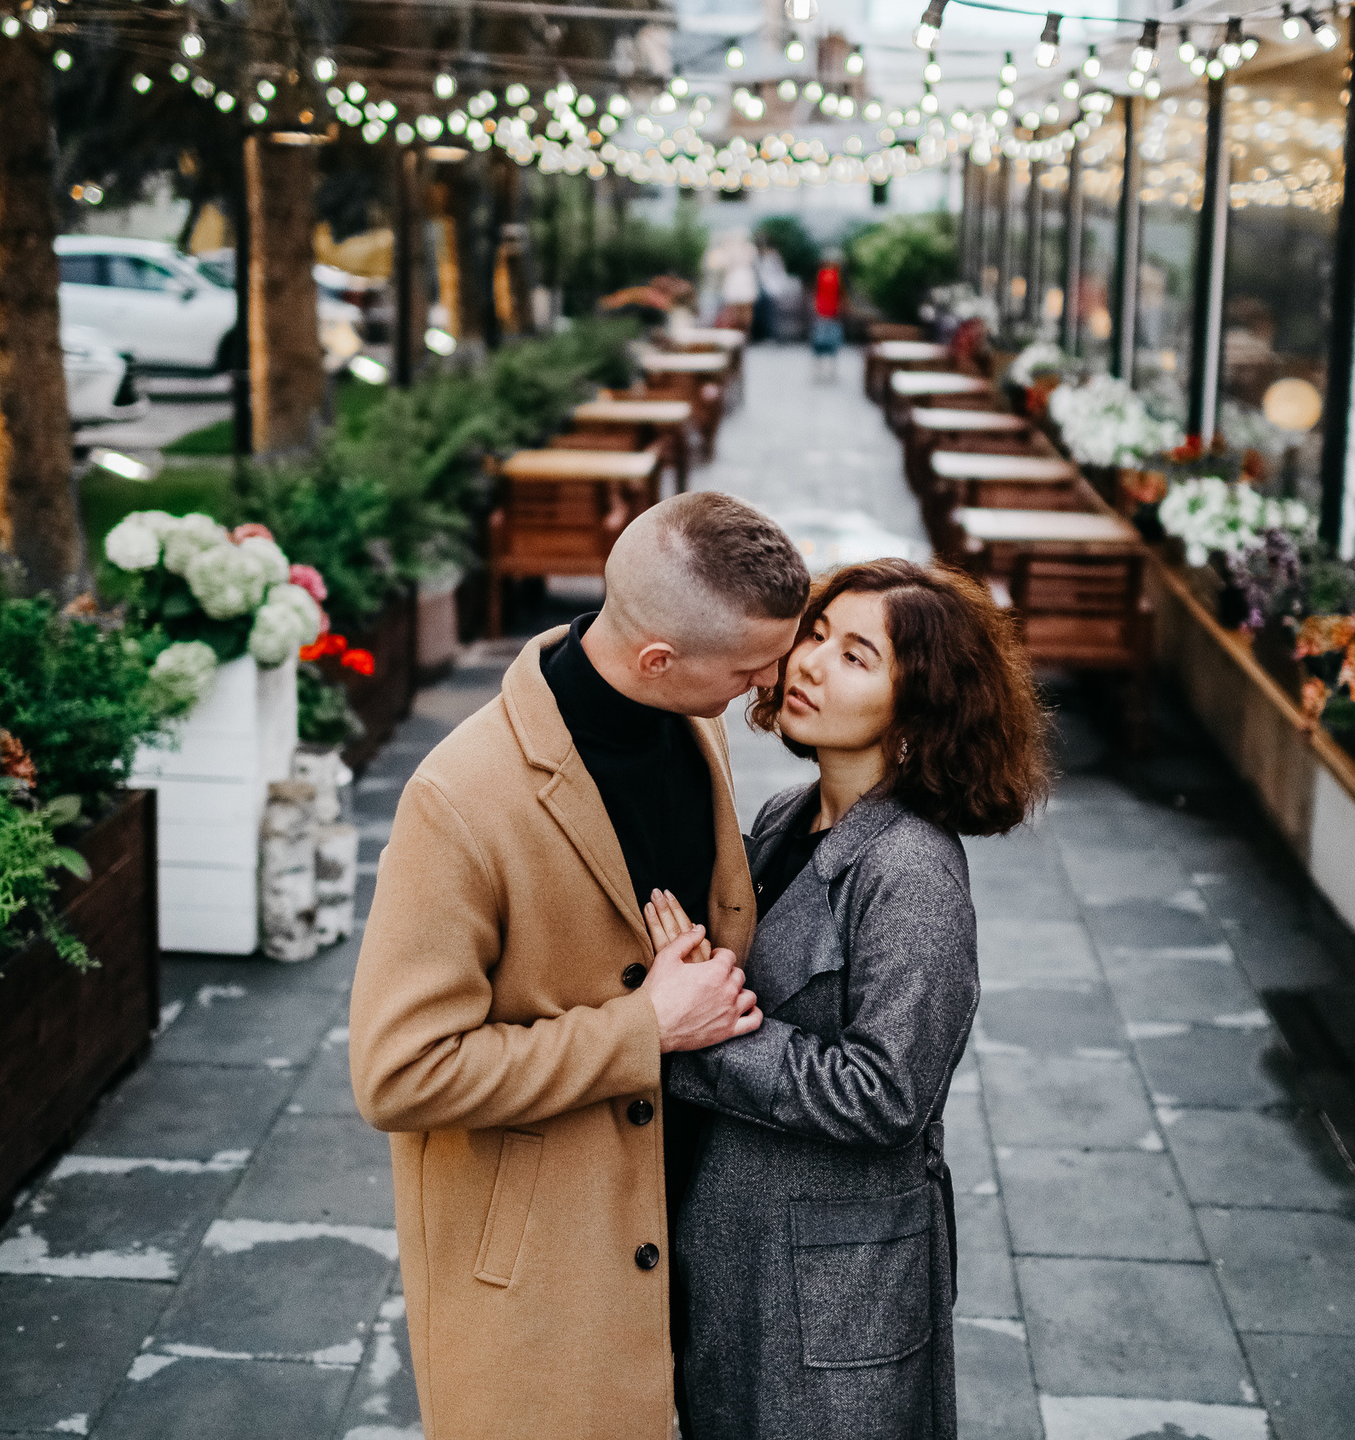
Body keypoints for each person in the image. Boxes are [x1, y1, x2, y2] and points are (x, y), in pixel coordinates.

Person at [350, 491, 814, 1440]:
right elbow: (398, 1073)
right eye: (753, 666)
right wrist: (644, 1028)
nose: (777, 681)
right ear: (658, 659)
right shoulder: (460, 799)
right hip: (545, 1279)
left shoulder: (696, 723)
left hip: (688, 1222)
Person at [649, 557, 1051, 1440]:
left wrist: (698, 1034)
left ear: (919, 711)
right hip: (741, 1257)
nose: (811, 663)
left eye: (857, 655)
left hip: (838, 1291)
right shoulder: (787, 816)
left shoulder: (911, 870)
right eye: (817, 634)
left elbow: (887, 1091)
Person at [809, 254, 845, 380]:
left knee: (823, 343)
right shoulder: (832, 275)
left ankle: (824, 371)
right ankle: (825, 371)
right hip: (826, 313)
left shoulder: (827, 275)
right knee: (826, 343)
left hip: (828, 313)